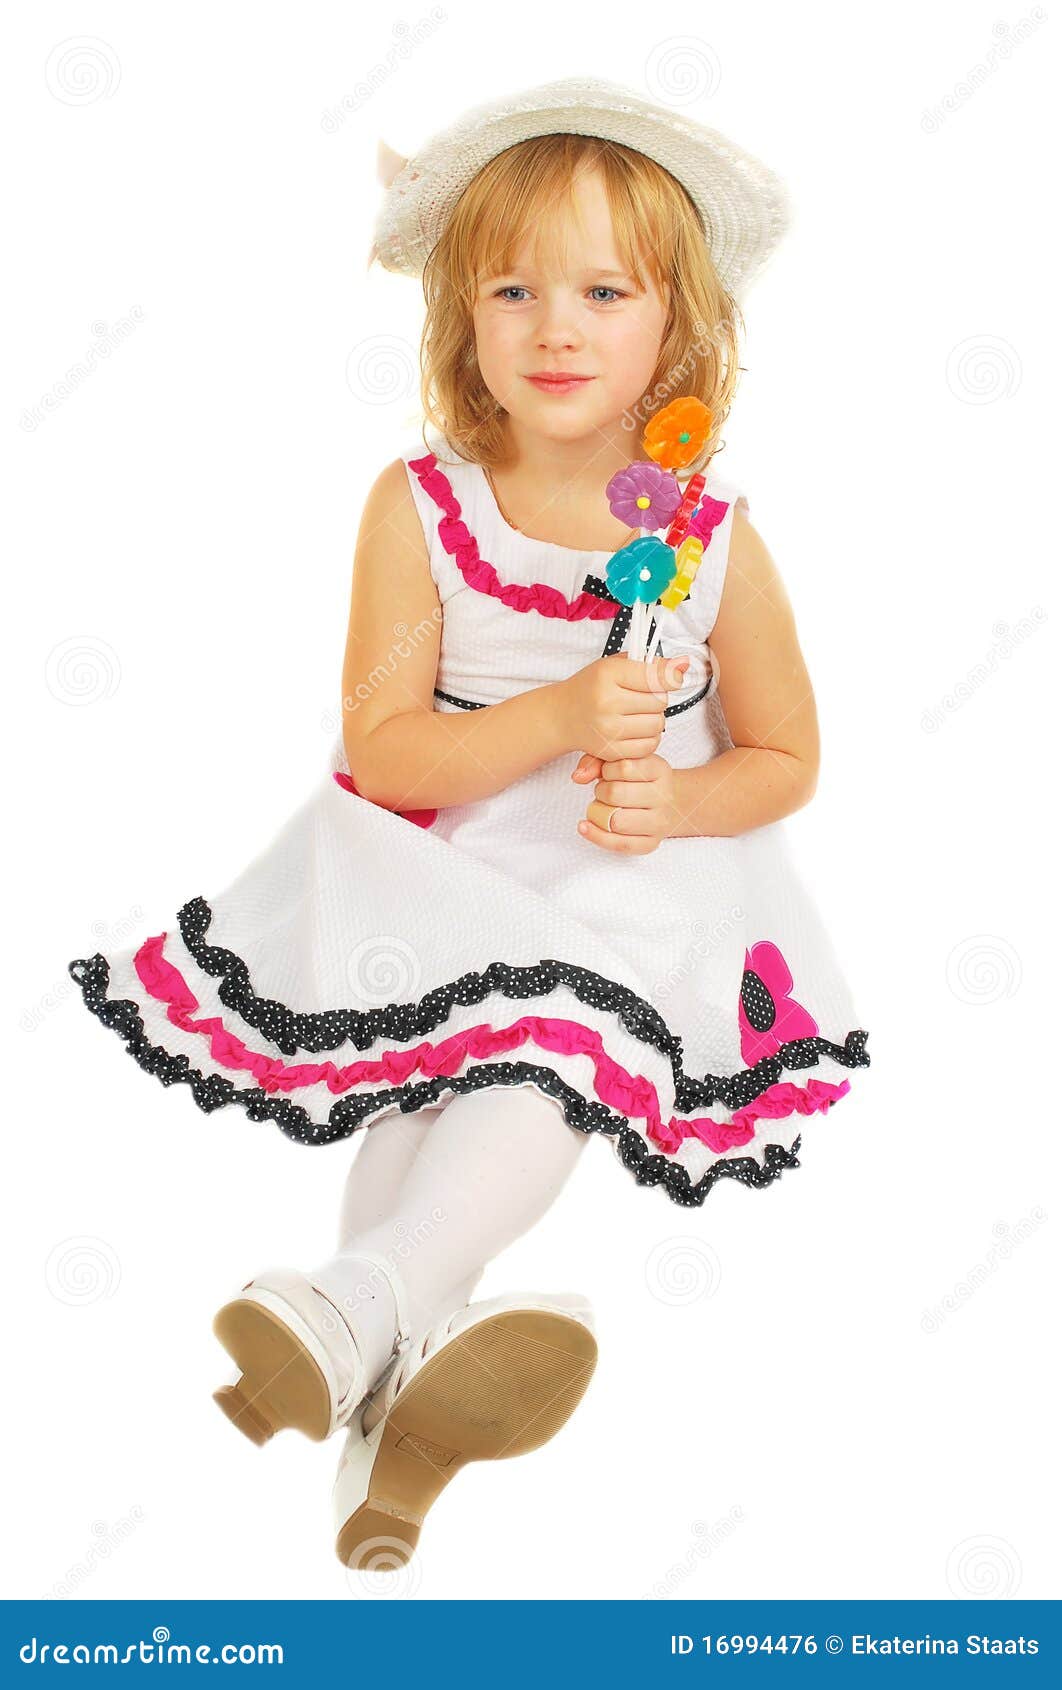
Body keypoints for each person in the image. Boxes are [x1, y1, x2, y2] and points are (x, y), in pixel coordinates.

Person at [66, 76, 872, 1572]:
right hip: (446, 859)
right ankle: (379, 1408)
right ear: (462, 320)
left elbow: (788, 751)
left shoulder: (703, 534)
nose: (553, 325)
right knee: (418, 1092)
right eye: (512, 289)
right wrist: (563, 717)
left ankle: (352, 1306)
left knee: (558, 1049)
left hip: (639, 885)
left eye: (600, 289)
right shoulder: (420, 503)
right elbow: (386, 744)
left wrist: (678, 790)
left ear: (676, 329)